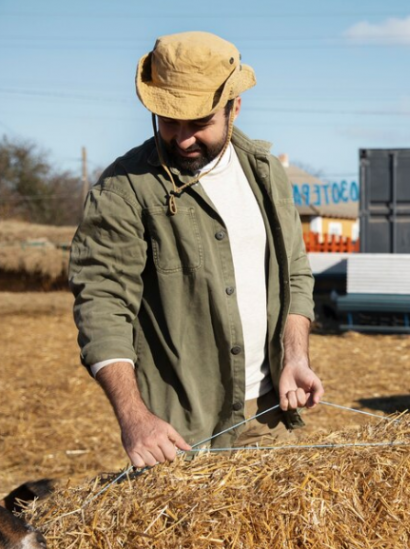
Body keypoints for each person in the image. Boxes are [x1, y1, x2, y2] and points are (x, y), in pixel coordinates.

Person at [69, 31, 323, 468]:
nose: (183, 139)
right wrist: (134, 418)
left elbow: (295, 273)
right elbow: (102, 304)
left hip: (265, 416)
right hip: (176, 435)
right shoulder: (123, 188)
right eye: (169, 121)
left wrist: (295, 354)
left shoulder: (267, 173)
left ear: (234, 107)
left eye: (199, 123)